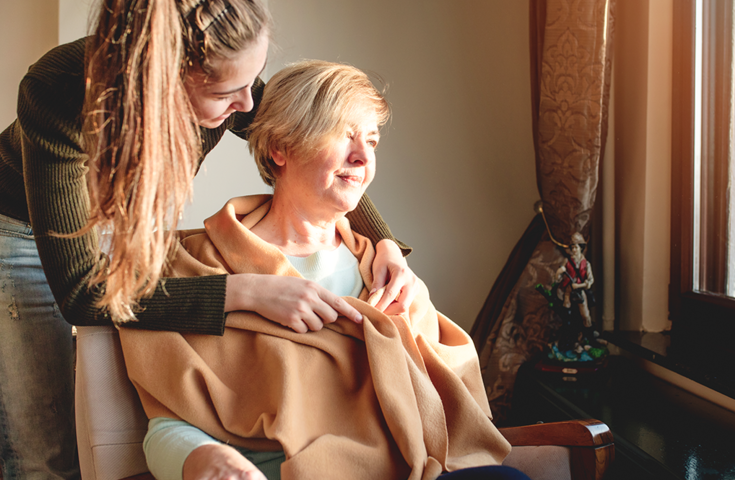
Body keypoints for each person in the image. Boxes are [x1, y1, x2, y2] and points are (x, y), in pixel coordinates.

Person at [0, 1, 416, 478]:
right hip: (20, 229)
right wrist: (244, 291)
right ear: (164, 82)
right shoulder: (59, 92)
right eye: (225, 94)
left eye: (251, 81)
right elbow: (82, 295)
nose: (247, 106)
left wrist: (382, 241)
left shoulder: (229, 79)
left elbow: (304, 142)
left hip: (120, 222)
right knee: (44, 450)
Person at [119, 60, 529, 480]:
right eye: (343, 135)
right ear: (280, 148)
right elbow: (169, 424)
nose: (363, 157)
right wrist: (206, 460)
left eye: (372, 141)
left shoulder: (385, 272)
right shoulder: (201, 267)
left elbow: (451, 402)